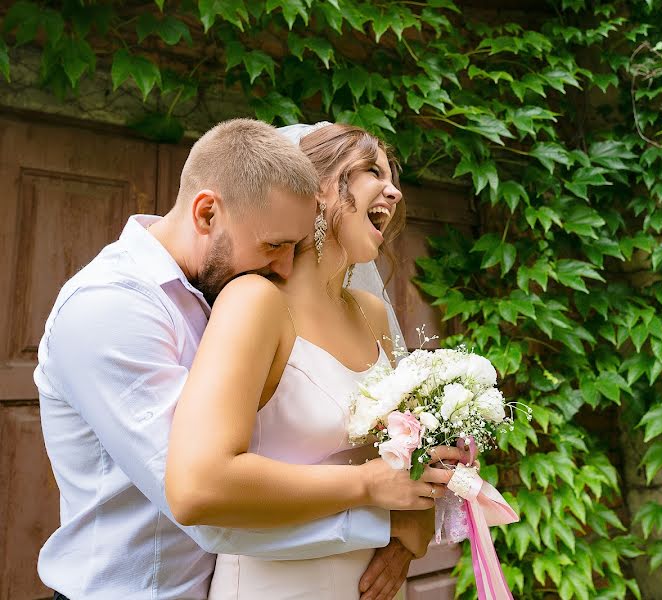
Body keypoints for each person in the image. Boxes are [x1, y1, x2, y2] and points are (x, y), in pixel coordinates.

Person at [34, 118, 447, 600]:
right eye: (275, 245)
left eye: (293, 246)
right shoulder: (111, 308)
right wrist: (379, 507)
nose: (284, 266)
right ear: (207, 214)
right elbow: (203, 500)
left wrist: (412, 525)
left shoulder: (228, 285)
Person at [165, 123, 463, 600]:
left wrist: (413, 524)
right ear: (317, 189)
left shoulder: (371, 315)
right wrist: (365, 485)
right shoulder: (255, 302)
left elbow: (401, 461)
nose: (395, 191)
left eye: (393, 177)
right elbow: (197, 485)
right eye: (371, 170)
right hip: (277, 584)